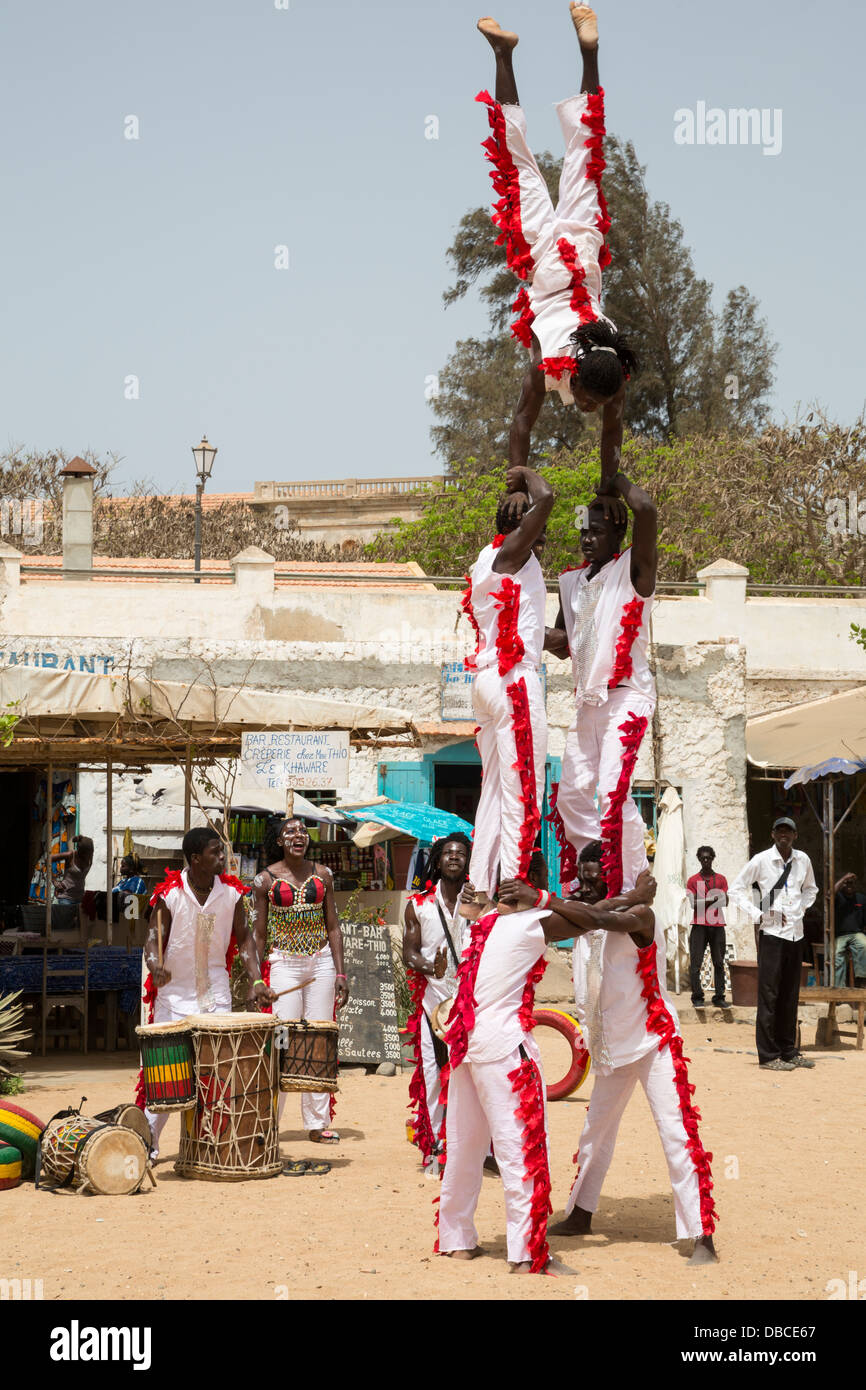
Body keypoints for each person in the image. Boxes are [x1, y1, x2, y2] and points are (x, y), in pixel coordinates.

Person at [507, 841, 718, 1264]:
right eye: (581, 877)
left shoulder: (639, 914)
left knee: (676, 1134)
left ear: (614, 878)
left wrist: (634, 897)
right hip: (610, 1050)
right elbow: (588, 917)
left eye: (594, 877)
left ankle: (701, 1236)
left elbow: (604, 915)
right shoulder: (584, 920)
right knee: (594, 1136)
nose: (585, 885)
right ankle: (582, 1213)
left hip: (653, 1041)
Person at [476, 7, 636, 489]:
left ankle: (578, 53)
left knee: (585, 151)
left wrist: (608, 485)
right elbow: (522, 422)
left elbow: (612, 432)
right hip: (548, 256)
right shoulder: (549, 359)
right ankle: (509, 54)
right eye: (587, 399)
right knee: (516, 162)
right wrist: (516, 486)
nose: (587, 407)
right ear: (578, 370)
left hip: (583, 250)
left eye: (590, 403)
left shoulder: (609, 374)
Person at [436, 852, 581, 1274]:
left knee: (464, 1146)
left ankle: (457, 1239)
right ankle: (525, 1252)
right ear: (532, 879)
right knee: (521, 1148)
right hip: (503, 1051)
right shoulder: (528, 923)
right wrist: (545, 896)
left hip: (466, 1047)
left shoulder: (480, 925)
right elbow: (592, 917)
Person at [545, 473, 657, 897]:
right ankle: (594, 874)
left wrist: (615, 482)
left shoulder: (633, 571)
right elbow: (561, 644)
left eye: (597, 531)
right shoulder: (571, 583)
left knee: (612, 793)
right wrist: (519, 629)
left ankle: (630, 880)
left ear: (618, 532)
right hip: (588, 701)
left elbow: (646, 510)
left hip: (627, 696)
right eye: (583, 532)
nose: (587, 539)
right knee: (570, 797)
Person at [139, 827, 274, 1158]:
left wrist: (256, 980)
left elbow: (244, 942)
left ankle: (209, 1144)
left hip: (216, 997)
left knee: (217, 1076)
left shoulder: (232, 896)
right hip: (173, 999)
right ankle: (148, 1145)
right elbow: (152, 940)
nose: (223, 858)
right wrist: (155, 966)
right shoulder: (169, 896)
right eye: (216, 852)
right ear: (196, 859)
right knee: (167, 1078)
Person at [460, 464, 553, 916]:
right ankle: (514, 886)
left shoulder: (489, 559)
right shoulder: (513, 554)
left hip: (488, 682)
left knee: (495, 790)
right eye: (538, 528)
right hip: (514, 682)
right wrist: (526, 474)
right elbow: (549, 497)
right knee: (522, 791)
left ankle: (478, 890)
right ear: (522, 528)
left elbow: (537, 631)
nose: (547, 537)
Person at [252, 817, 349, 1145]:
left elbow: (333, 926)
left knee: (318, 1040)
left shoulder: (323, 875)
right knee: (281, 1039)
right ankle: (270, 1120)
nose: (298, 836)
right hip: (284, 965)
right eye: (290, 832)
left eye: (302, 832)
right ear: (279, 841)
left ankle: (317, 1122)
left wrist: (340, 972)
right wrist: (256, 980)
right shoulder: (264, 880)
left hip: (321, 963)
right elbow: (259, 933)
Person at [403, 833, 471, 1167]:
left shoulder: (479, 901)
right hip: (434, 1003)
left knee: (472, 1078)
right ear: (438, 860)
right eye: (448, 853)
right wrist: (432, 966)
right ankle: (435, 1148)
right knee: (432, 1076)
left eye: (460, 853)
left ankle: (476, 1148)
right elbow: (409, 954)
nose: (454, 857)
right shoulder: (418, 905)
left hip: (472, 1002)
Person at [728, 817, 818, 1072]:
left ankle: (788, 1051)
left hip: (795, 935)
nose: (784, 835)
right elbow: (735, 890)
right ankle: (768, 1056)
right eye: (779, 830)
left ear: (795, 835)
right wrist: (759, 914)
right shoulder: (761, 860)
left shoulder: (803, 860)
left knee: (790, 995)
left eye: (788, 831)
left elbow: (811, 889)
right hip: (772, 936)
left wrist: (801, 909)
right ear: (772, 834)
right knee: (769, 996)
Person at [686, 846, 729, 1008]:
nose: (706, 861)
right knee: (695, 963)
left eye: (708, 858)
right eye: (703, 858)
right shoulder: (692, 880)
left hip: (717, 925)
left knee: (718, 962)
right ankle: (697, 997)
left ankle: (719, 997)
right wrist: (713, 898)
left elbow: (725, 901)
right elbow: (692, 904)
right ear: (699, 859)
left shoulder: (721, 879)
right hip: (699, 925)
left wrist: (702, 899)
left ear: (713, 858)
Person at [49, 835, 93, 934]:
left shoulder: (90, 858)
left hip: (80, 897)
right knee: (64, 928)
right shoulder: (70, 855)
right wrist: (54, 880)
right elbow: (48, 859)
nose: (88, 856)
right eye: (86, 853)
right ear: (80, 851)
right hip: (66, 897)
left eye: (90, 853)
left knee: (78, 929)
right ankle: (62, 948)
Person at [833, 873, 866, 987]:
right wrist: (844, 878)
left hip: (856, 933)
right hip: (840, 935)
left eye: (851, 883)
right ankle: (839, 988)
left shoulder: (861, 898)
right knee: (837, 954)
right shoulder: (837, 897)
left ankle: (861, 979)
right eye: (846, 883)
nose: (849, 886)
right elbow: (829, 894)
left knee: (864, 944)